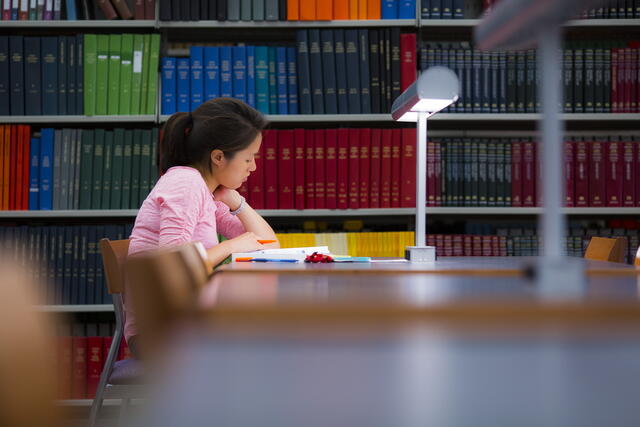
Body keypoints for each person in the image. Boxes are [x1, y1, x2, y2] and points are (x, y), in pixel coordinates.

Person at [125, 98, 279, 357]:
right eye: (248, 158)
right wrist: (230, 246)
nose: (253, 167)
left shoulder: (205, 191)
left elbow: (268, 245)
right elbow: (172, 268)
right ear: (218, 157)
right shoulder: (185, 184)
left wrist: (235, 200)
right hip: (163, 331)